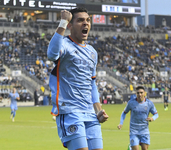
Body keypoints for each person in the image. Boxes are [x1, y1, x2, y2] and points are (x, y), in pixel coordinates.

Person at [47, 8, 109, 150]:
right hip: (69, 112)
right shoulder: (64, 44)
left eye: (87, 20)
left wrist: (98, 110)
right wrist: (63, 22)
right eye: (80, 20)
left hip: (89, 113)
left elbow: (92, 84)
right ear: (70, 25)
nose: (85, 23)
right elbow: (51, 54)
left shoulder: (92, 52)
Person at [117, 85, 158, 150]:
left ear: (144, 93)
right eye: (138, 93)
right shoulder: (131, 103)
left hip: (144, 131)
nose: (139, 94)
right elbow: (124, 113)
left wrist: (152, 118)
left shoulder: (149, 103)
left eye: (141, 92)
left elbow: (156, 114)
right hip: (134, 131)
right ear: (136, 94)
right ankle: (131, 147)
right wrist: (121, 123)